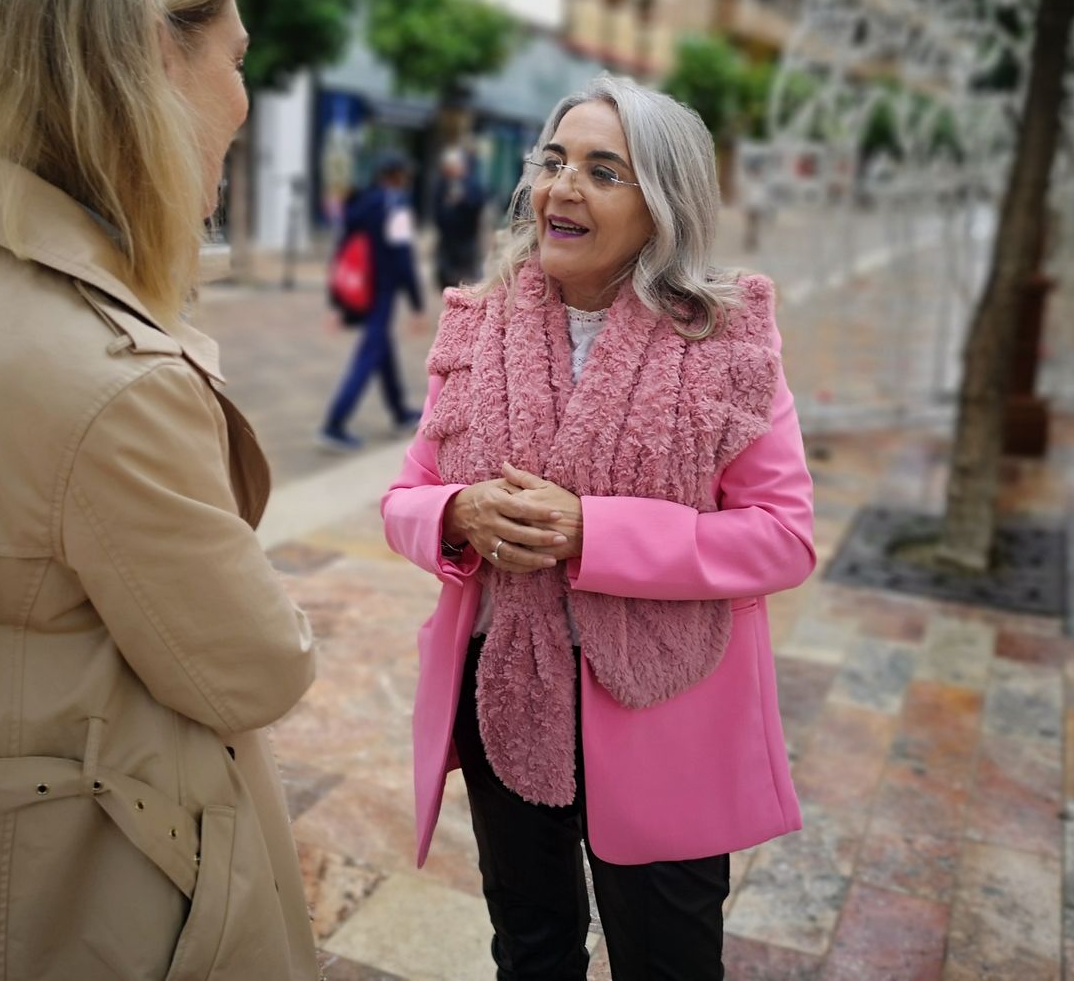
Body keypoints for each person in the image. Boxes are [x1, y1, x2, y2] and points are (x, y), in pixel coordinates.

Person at [0, 0, 318, 980]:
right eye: (235, 60)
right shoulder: (107, 376)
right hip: (111, 867)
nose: (244, 100)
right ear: (157, 62)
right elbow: (253, 671)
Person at [382, 75, 816, 981]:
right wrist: (457, 513)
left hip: (664, 709)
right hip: (506, 693)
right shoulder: (478, 328)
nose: (563, 187)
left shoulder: (726, 343)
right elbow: (405, 498)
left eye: (603, 171)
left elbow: (783, 537)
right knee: (531, 952)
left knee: (668, 960)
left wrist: (594, 532)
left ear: (662, 204)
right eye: (554, 162)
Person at [318, 150, 425, 451]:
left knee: (382, 350)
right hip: (383, 291)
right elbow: (403, 258)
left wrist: (336, 300)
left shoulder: (361, 203)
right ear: (398, 176)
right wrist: (416, 304)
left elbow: (342, 252)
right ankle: (334, 424)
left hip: (362, 289)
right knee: (369, 355)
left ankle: (400, 413)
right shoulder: (396, 206)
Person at [433, 146, 485, 290]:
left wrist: (462, 201)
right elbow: (436, 208)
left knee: (467, 279)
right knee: (446, 278)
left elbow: (477, 204)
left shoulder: (471, 183)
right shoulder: (442, 183)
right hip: (447, 239)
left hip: (466, 238)